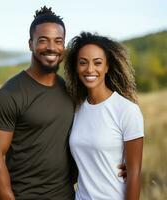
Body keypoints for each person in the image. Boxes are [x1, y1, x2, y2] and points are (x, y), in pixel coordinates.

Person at [0, 7, 126, 200]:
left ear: (64, 47)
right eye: (43, 40)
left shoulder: (72, 91)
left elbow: (93, 134)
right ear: (30, 44)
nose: (51, 47)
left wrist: (118, 162)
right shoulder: (9, 95)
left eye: (58, 41)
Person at [65, 32, 144, 200]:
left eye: (97, 63)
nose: (90, 69)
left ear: (107, 67)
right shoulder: (76, 108)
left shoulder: (127, 110)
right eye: (83, 63)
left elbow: (134, 175)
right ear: (76, 67)